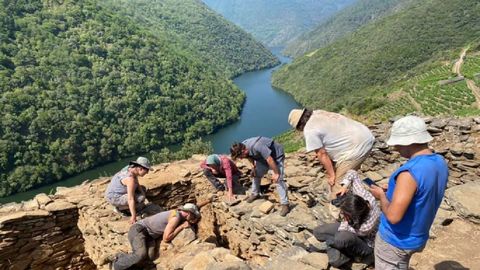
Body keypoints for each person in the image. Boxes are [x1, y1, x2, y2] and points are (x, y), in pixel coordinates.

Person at [369, 115, 448, 269]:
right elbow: (424, 191)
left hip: (396, 240)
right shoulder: (439, 161)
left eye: (398, 144)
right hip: (419, 235)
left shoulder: (409, 173)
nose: (396, 148)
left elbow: (393, 216)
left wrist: (381, 196)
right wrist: (393, 189)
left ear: (408, 142)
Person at [288, 109, 375, 216]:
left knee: (337, 185)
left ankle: (339, 216)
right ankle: (356, 200)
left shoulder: (310, 130)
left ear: (299, 126)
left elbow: (321, 153)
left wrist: (332, 175)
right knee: (346, 177)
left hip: (356, 148)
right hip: (365, 134)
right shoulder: (318, 112)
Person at [110, 200, 211, 270]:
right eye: (194, 216)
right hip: (139, 230)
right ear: (188, 213)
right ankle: (116, 263)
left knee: (149, 257)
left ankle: (126, 259)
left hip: (149, 235)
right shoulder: (175, 217)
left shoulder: (180, 212)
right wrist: (181, 227)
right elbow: (166, 238)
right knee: (140, 254)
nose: (194, 219)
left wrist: (208, 200)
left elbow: (195, 206)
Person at [312, 170, 380, 267]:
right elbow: (352, 173)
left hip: (365, 242)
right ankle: (335, 246)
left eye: (345, 213)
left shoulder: (369, 222)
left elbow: (347, 228)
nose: (342, 214)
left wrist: (342, 225)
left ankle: (346, 253)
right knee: (318, 232)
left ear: (354, 215)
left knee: (340, 239)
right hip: (350, 227)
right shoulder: (362, 195)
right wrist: (344, 187)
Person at [230, 136, 290, 216]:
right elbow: (249, 157)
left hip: (276, 156)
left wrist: (276, 173)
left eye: (241, 157)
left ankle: (285, 204)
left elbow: (269, 159)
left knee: (278, 179)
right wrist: (253, 167)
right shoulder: (244, 147)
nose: (241, 159)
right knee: (256, 174)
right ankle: (255, 194)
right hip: (262, 159)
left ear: (244, 150)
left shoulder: (257, 145)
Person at [105, 157, 152, 224]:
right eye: (147, 170)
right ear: (141, 169)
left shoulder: (131, 168)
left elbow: (136, 181)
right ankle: (121, 209)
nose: (147, 173)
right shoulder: (130, 179)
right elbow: (130, 199)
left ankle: (125, 206)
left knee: (142, 190)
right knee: (139, 199)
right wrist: (134, 216)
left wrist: (143, 193)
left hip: (114, 192)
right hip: (114, 197)